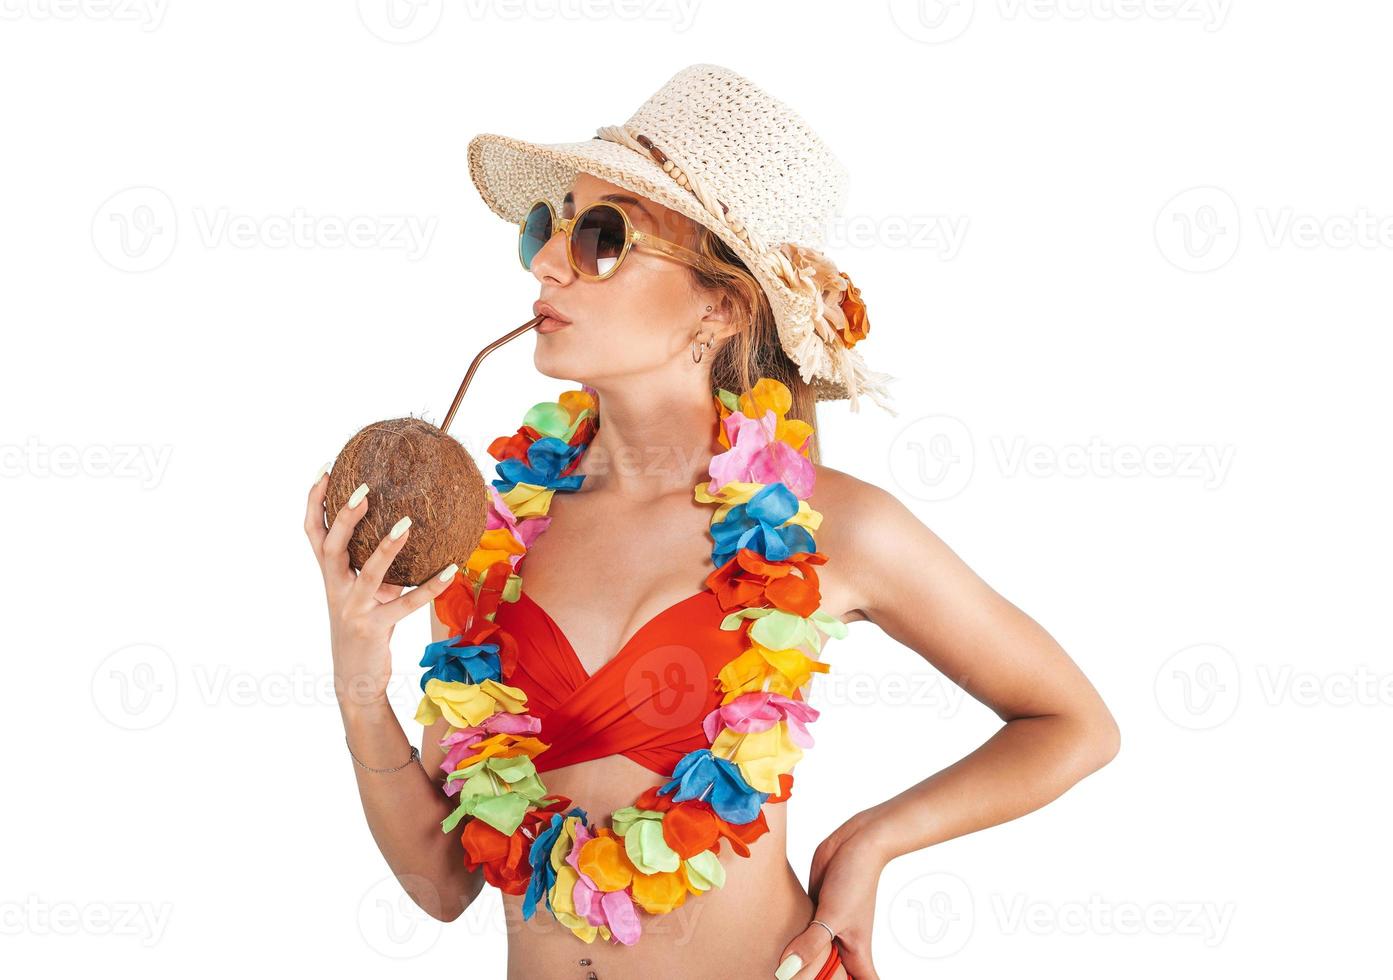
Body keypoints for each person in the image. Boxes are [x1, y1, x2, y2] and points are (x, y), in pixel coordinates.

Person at [304, 64, 1119, 980]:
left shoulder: (830, 528)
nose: (545, 259)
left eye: (602, 236)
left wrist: (873, 841)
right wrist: (359, 682)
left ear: (719, 305)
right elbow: (442, 884)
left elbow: (1072, 723)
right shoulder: (497, 540)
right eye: (549, 225)